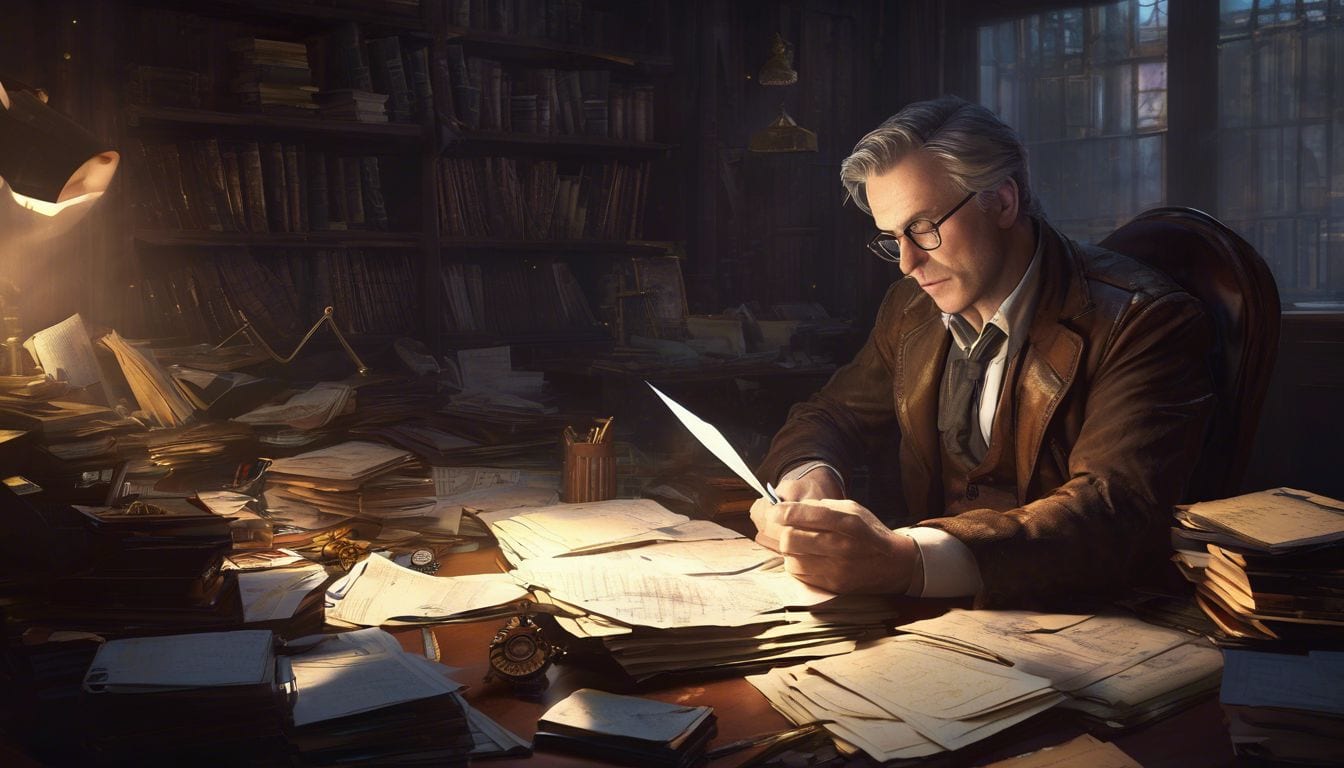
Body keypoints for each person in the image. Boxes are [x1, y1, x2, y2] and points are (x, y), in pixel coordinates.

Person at [751, 95, 1214, 609]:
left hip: (1090, 628)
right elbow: (831, 414)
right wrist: (810, 475)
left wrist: (905, 560)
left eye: (923, 228)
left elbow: (1112, 510)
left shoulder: (1143, 319)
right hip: (933, 628)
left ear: (1002, 202)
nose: (907, 263)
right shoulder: (912, 308)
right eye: (892, 238)